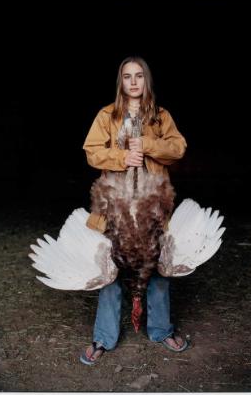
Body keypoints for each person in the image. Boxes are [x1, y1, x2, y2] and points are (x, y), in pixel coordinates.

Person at [80, 56, 189, 366]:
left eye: (139, 76)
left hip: (151, 208)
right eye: (127, 76)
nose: (133, 82)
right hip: (115, 207)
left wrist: (149, 144)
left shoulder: (160, 116)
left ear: (146, 80)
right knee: (109, 270)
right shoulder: (106, 115)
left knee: (158, 269)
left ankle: (161, 330)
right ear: (121, 81)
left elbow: (178, 147)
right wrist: (121, 157)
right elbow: (91, 151)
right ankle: (103, 337)